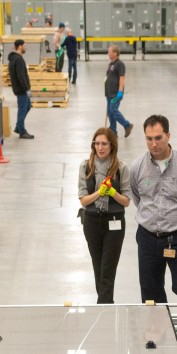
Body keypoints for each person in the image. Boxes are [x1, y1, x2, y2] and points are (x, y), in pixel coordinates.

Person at [126, 114, 177, 304]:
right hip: (148, 238)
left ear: (168, 135)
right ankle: (155, 333)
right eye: (149, 139)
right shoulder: (137, 167)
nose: (153, 144)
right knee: (150, 293)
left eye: (158, 138)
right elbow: (138, 198)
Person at [77, 127, 130, 304]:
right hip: (92, 222)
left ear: (112, 146)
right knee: (98, 268)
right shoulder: (86, 166)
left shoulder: (121, 168)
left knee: (108, 269)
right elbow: (83, 201)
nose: (100, 147)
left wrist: (112, 192)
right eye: (97, 143)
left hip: (114, 223)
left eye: (104, 144)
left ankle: (103, 308)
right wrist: (99, 193)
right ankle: (106, 305)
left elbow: (126, 201)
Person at [8, 40, 34, 139]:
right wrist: (27, 89)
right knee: (22, 109)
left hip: (20, 88)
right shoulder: (18, 59)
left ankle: (18, 127)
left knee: (28, 106)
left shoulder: (15, 58)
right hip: (21, 89)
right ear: (19, 46)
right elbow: (21, 76)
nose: (25, 47)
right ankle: (22, 131)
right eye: (24, 46)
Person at [104, 46, 131, 137]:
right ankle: (113, 132)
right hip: (109, 92)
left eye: (109, 52)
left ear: (115, 53)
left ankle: (127, 125)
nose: (108, 53)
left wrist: (120, 91)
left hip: (115, 93)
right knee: (110, 112)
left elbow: (122, 77)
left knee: (113, 110)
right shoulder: (110, 64)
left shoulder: (120, 64)